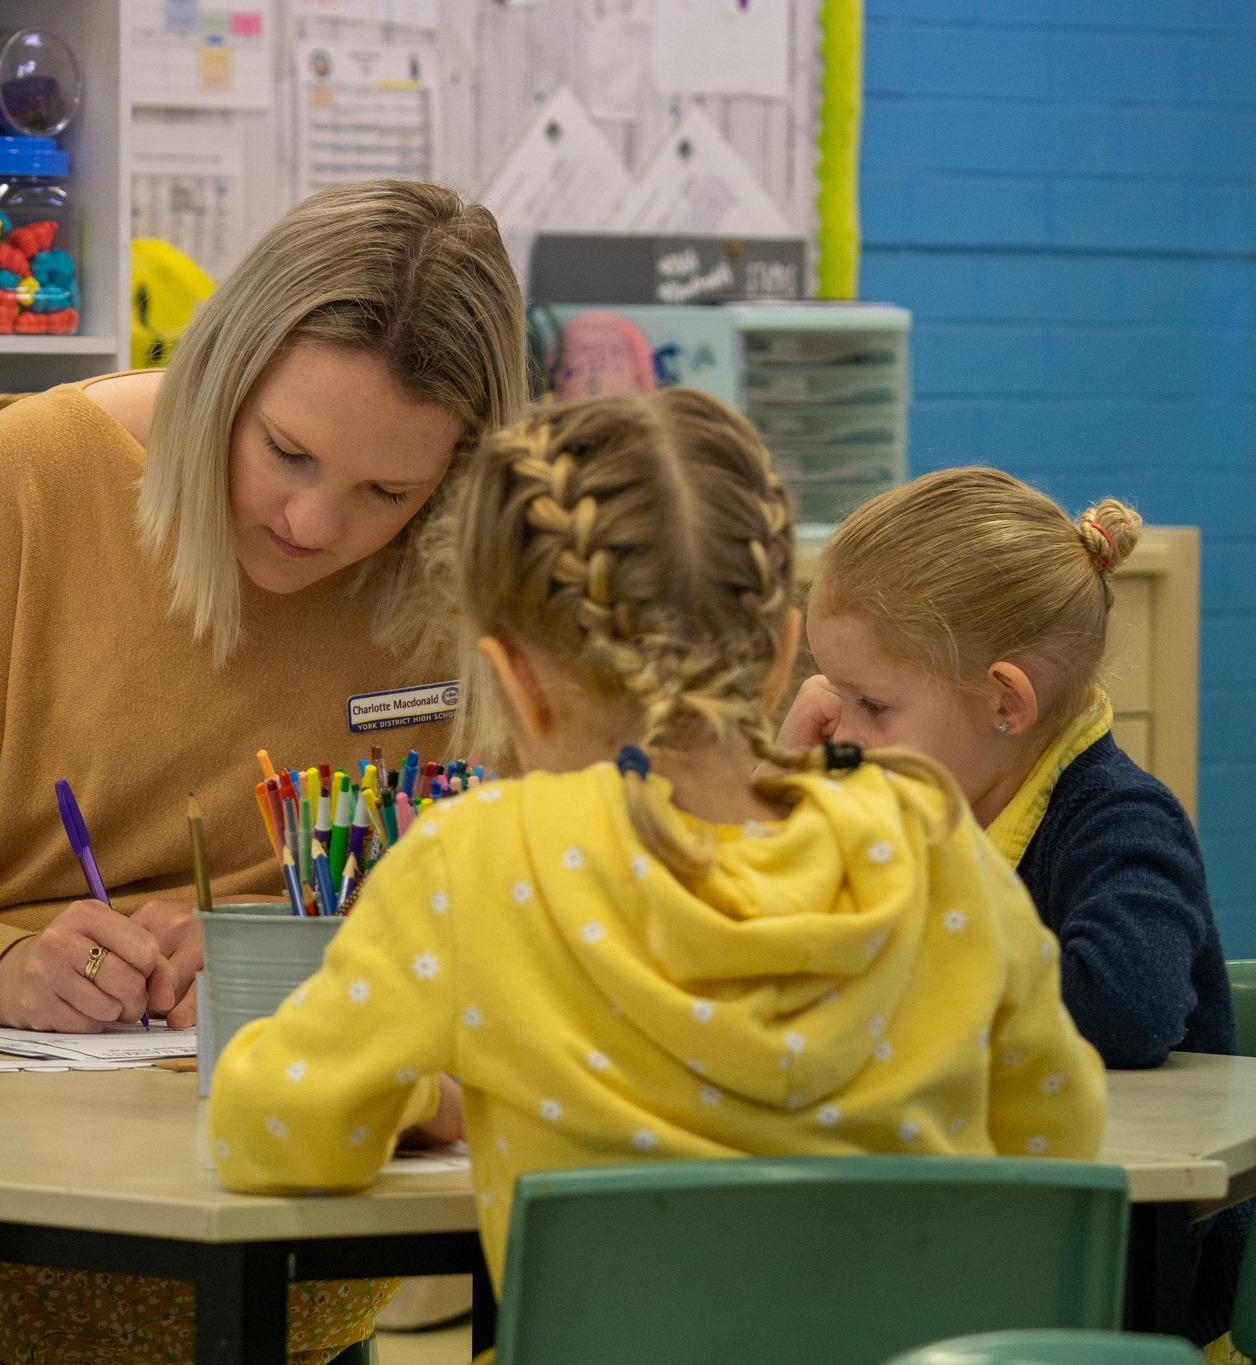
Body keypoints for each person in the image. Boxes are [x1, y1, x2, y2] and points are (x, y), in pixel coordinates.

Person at [0, 180, 527, 1364]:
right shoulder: (37, 472)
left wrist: (307, 960)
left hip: (293, 1214)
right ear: (218, 376)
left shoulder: (478, 564)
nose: (310, 520)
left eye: (387, 494)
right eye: (283, 450)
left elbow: (530, 910)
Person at [206, 391, 1107, 1297]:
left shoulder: (477, 857)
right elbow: (1057, 1133)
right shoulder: (933, 834)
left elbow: (271, 1129)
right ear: (778, 653)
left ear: (515, 679)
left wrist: (405, 1092)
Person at [780, 466, 1238, 1351]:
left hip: (1111, 1299)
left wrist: (894, 975)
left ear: (1004, 701)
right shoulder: (907, 800)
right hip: (951, 1248)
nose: (839, 723)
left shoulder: (1115, 815)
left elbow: (1126, 1006)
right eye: (833, 687)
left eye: (872, 702)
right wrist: (788, 808)